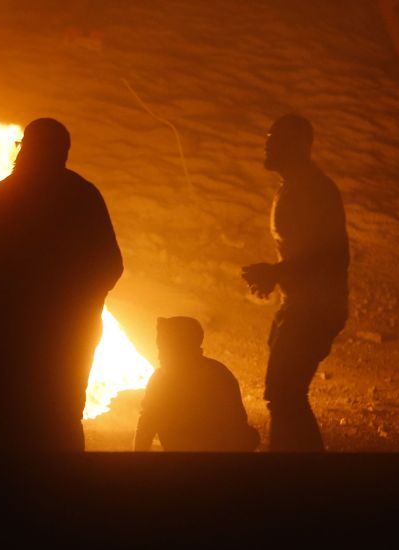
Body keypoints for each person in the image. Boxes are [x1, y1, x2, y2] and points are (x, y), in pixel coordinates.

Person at [0, 117, 123, 452]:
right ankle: (65, 488)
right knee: (61, 416)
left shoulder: (6, 194)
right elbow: (111, 265)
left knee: (15, 417)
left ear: (28, 149)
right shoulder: (84, 194)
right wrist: (82, 304)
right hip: (72, 331)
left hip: (18, 335)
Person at [242, 114, 349, 452]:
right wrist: (278, 275)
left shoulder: (314, 191)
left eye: (275, 138)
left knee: (284, 394)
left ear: (298, 146)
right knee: (284, 394)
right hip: (303, 304)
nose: (267, 143)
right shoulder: (296, 187)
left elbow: (329, 256)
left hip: (315, 307)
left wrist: (277, 273)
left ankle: (298, 482)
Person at [134, 317, 258, 452]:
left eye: (164, 348)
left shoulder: (164, 379)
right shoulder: (218, 373)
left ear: (181, 347)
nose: (159, 356)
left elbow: (147, 424)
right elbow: (147, 422)